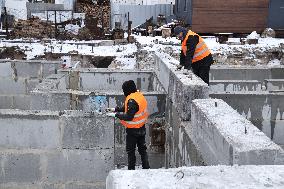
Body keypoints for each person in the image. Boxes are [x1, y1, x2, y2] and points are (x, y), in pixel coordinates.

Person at [106, 80, 150, 170]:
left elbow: (129, 116)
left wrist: (116, 115)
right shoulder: (138, 95)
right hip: (141, 127)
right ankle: (146, 168)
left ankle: (131, 170)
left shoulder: (131, 100)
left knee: (131, 151)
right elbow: (129, 109)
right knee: (143, 150)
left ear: (127, 90)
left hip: (133, 131)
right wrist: (115, 109)